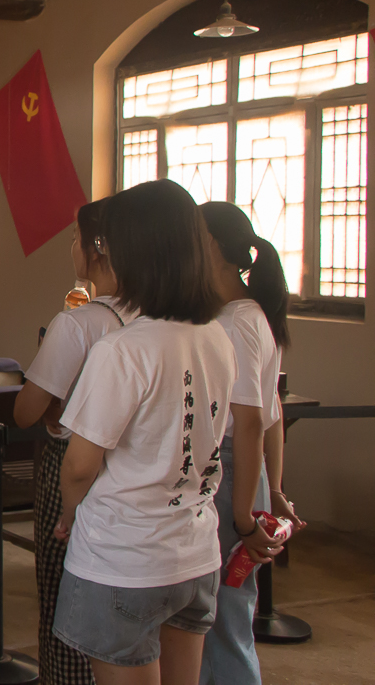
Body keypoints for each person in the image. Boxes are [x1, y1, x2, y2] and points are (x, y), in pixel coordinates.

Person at [52, 179, 237, 685]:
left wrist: (69, 513)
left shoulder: (123, 349)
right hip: (194, 554)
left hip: (124, 560)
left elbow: (80, 464)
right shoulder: (216, 336)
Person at [14, 198, 134, 685]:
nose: (72, 247)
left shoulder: (79, 323)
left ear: (96, 248)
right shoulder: (159, 319)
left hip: (72, 461)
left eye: (75, 238)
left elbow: (26, 411)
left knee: (65, 593)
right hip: (132, 472)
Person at [198, 202, 299, 685]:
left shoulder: (236, 321)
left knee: (221, 619)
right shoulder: (248, 314)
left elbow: (254, 420)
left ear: (213, 247)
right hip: (245, 475)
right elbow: (271, 411)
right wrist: (272, 490)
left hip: (230, 477)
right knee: (225, 614)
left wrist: (244, 517)